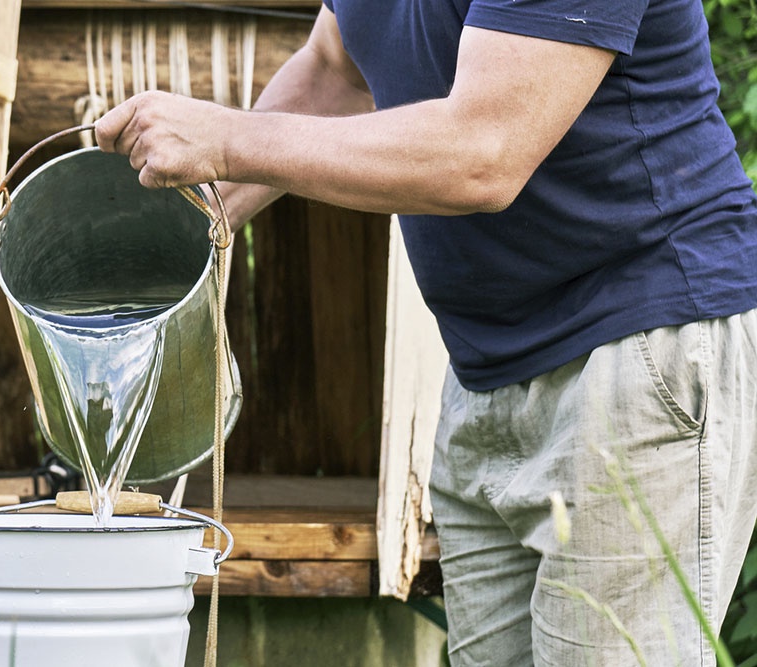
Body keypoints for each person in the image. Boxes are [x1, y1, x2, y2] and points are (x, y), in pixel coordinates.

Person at [94, 1, 757, 664]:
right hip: (483, 369)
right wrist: (201, 216)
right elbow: (335, 68)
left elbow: (484, 151)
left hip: (640, 348)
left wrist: (228, 138)